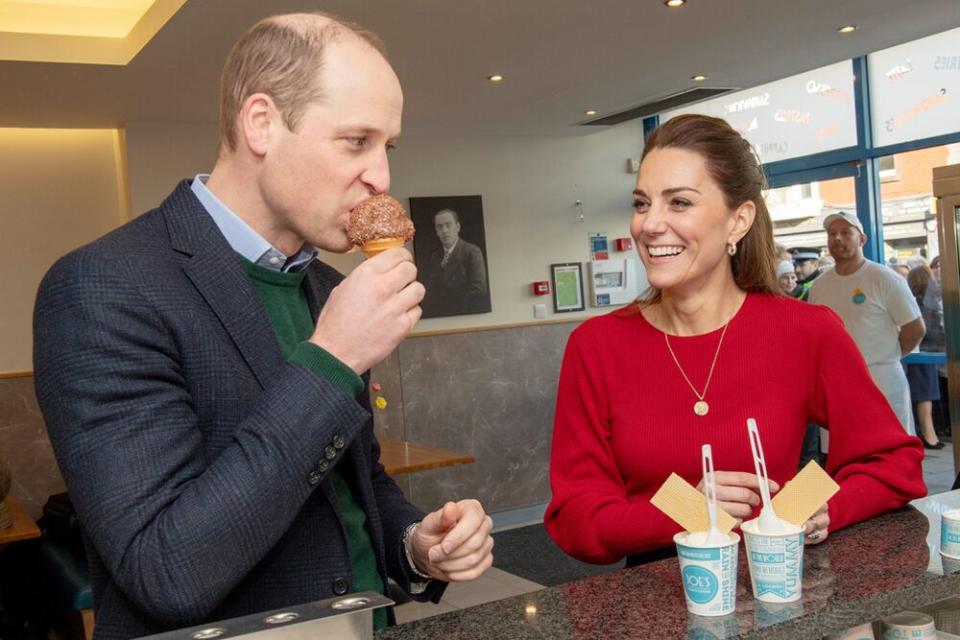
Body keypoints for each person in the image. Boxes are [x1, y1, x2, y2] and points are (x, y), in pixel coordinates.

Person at [33, 13, 493, 638]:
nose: (382, 178)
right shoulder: (102, 287)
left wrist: (415, 543)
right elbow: (167, 570)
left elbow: (350, 486)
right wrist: (331, 359)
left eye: (388, 147)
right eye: (356, 141)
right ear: (261, 123)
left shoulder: (328, 288)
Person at [544, 114, 924, 566]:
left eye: (679, 202)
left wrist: (820, 507)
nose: (649, 225)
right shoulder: (597, 345)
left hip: (777, 591)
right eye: (642, 203)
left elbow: (893, 462)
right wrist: (689, 511)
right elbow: (575, 519)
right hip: (652, 603)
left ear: (738, 220)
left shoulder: (804, 331)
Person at [809, 211, 925, 435]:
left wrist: (886, 356)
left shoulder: (885, 279)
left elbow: (915, 328)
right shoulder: (820, 285)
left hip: (882, 384)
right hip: (838, 386)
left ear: (862, 239)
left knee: (891, 454)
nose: (837, 239)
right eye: (832, 234)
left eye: (845, 232)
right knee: (845, 458)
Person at [421, 208, 490, 317]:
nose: (444, 230)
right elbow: (431, 289)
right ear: (436, 232)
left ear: (457, 227)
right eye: (440, 227)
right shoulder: (435, 257)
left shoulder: (472, 252)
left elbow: (479, 290)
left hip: (464, 313)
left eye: (448, 225)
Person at [906, 265, 945, 449]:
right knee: (926, 395)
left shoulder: (914, 301)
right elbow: (927, 330)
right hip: (925, 351)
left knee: (924, 394)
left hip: (920, 351)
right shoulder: (925, 304)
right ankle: (930, 436)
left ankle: (928, 434)